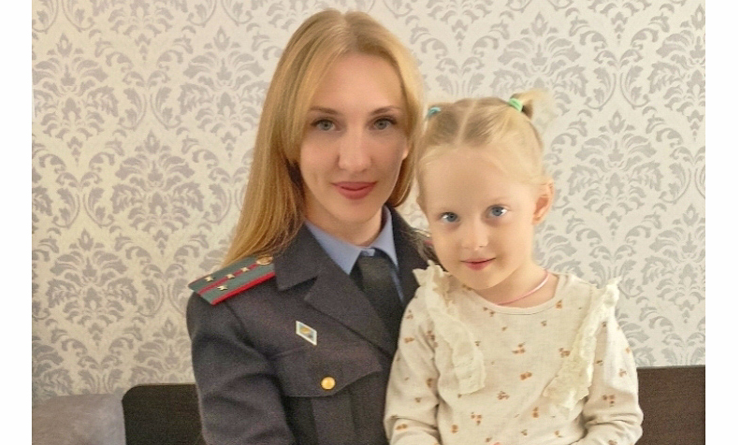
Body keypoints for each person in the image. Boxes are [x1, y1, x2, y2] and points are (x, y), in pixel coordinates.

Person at [185, 9, 430, 445]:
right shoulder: (238, 312)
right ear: (288, 138)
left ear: (410, 136)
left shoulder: (463, 273)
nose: (355, 160)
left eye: (382, 123)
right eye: (324, 124)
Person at [384, 93, 643, 445]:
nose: (473, 240)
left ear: (539, 203)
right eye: (449, 217)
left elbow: (618, 419)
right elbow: (409, 422)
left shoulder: (586, 311)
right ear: (426, 212)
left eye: (496, 212)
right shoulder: (432, 310)